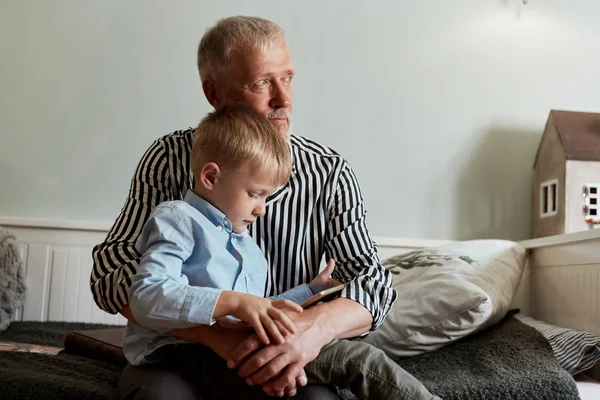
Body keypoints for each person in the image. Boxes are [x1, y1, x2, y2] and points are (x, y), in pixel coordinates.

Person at [90, 15, 426, 399]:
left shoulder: (329, 172)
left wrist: (308, 332)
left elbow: (374, 285)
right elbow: (111, 274)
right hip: (177, 354)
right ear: (214, 94)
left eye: (288, 78)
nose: (283, 99)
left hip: (285, 350)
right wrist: (214, 334)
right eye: (262, 83)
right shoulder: (170, 159)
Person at [123, 106, 442, 400]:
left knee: (307, 368)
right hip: (179, 351)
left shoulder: (246, 246)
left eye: (266, 197)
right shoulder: (178, 219)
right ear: (210, 176)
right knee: (351, 360)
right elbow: (147, 296)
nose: (261, 209)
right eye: (254, 194)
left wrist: (309, 290)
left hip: (229, 349)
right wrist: (235, 302)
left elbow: (256, 311)